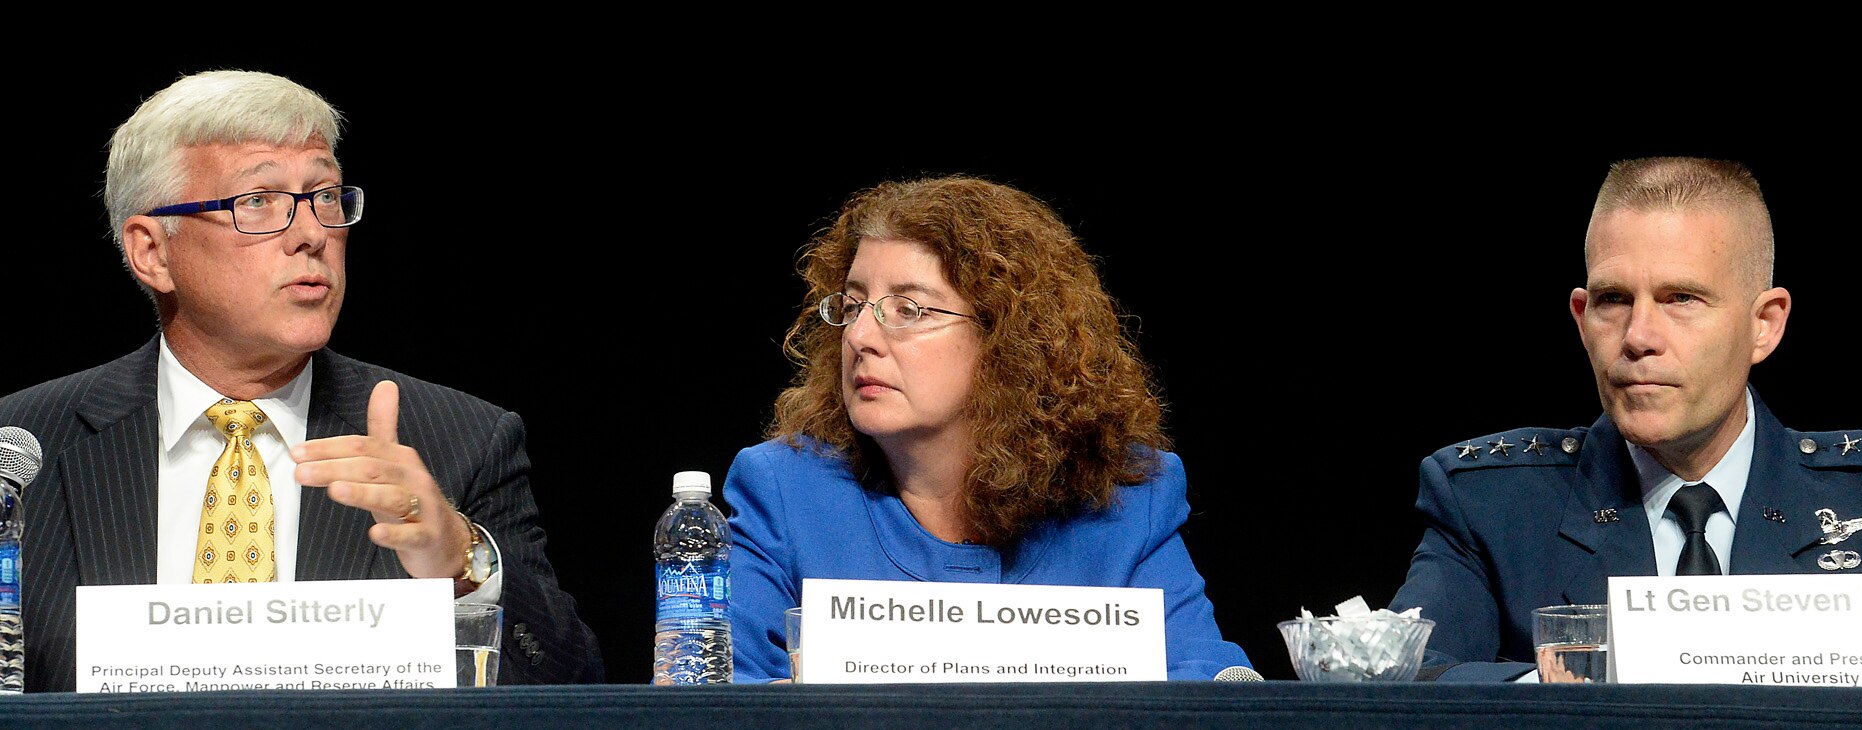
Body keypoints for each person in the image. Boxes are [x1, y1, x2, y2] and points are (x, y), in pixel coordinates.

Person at [0, 70, 603, 691]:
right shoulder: (22, 451)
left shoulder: (460, 443)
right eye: (258, 201)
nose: (313, 234)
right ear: (153, 252)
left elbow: (574, 685)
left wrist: (463, 561)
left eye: (325, 196)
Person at [1387, 157, 1862, 682]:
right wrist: (1559, 695)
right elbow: (1404, 680)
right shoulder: (1492, 509)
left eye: (1681, 299)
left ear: (1764, 324)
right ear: (1583, 318)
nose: (1639, 337)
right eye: (1614, 300)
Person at [723, 176, 1252, 682]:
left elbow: (1210, 680)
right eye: (853, 304)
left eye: (907, 309)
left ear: (1008, 341)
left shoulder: (1126, 500)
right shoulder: (785, 492)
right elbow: (713, 696)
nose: (860, 335)